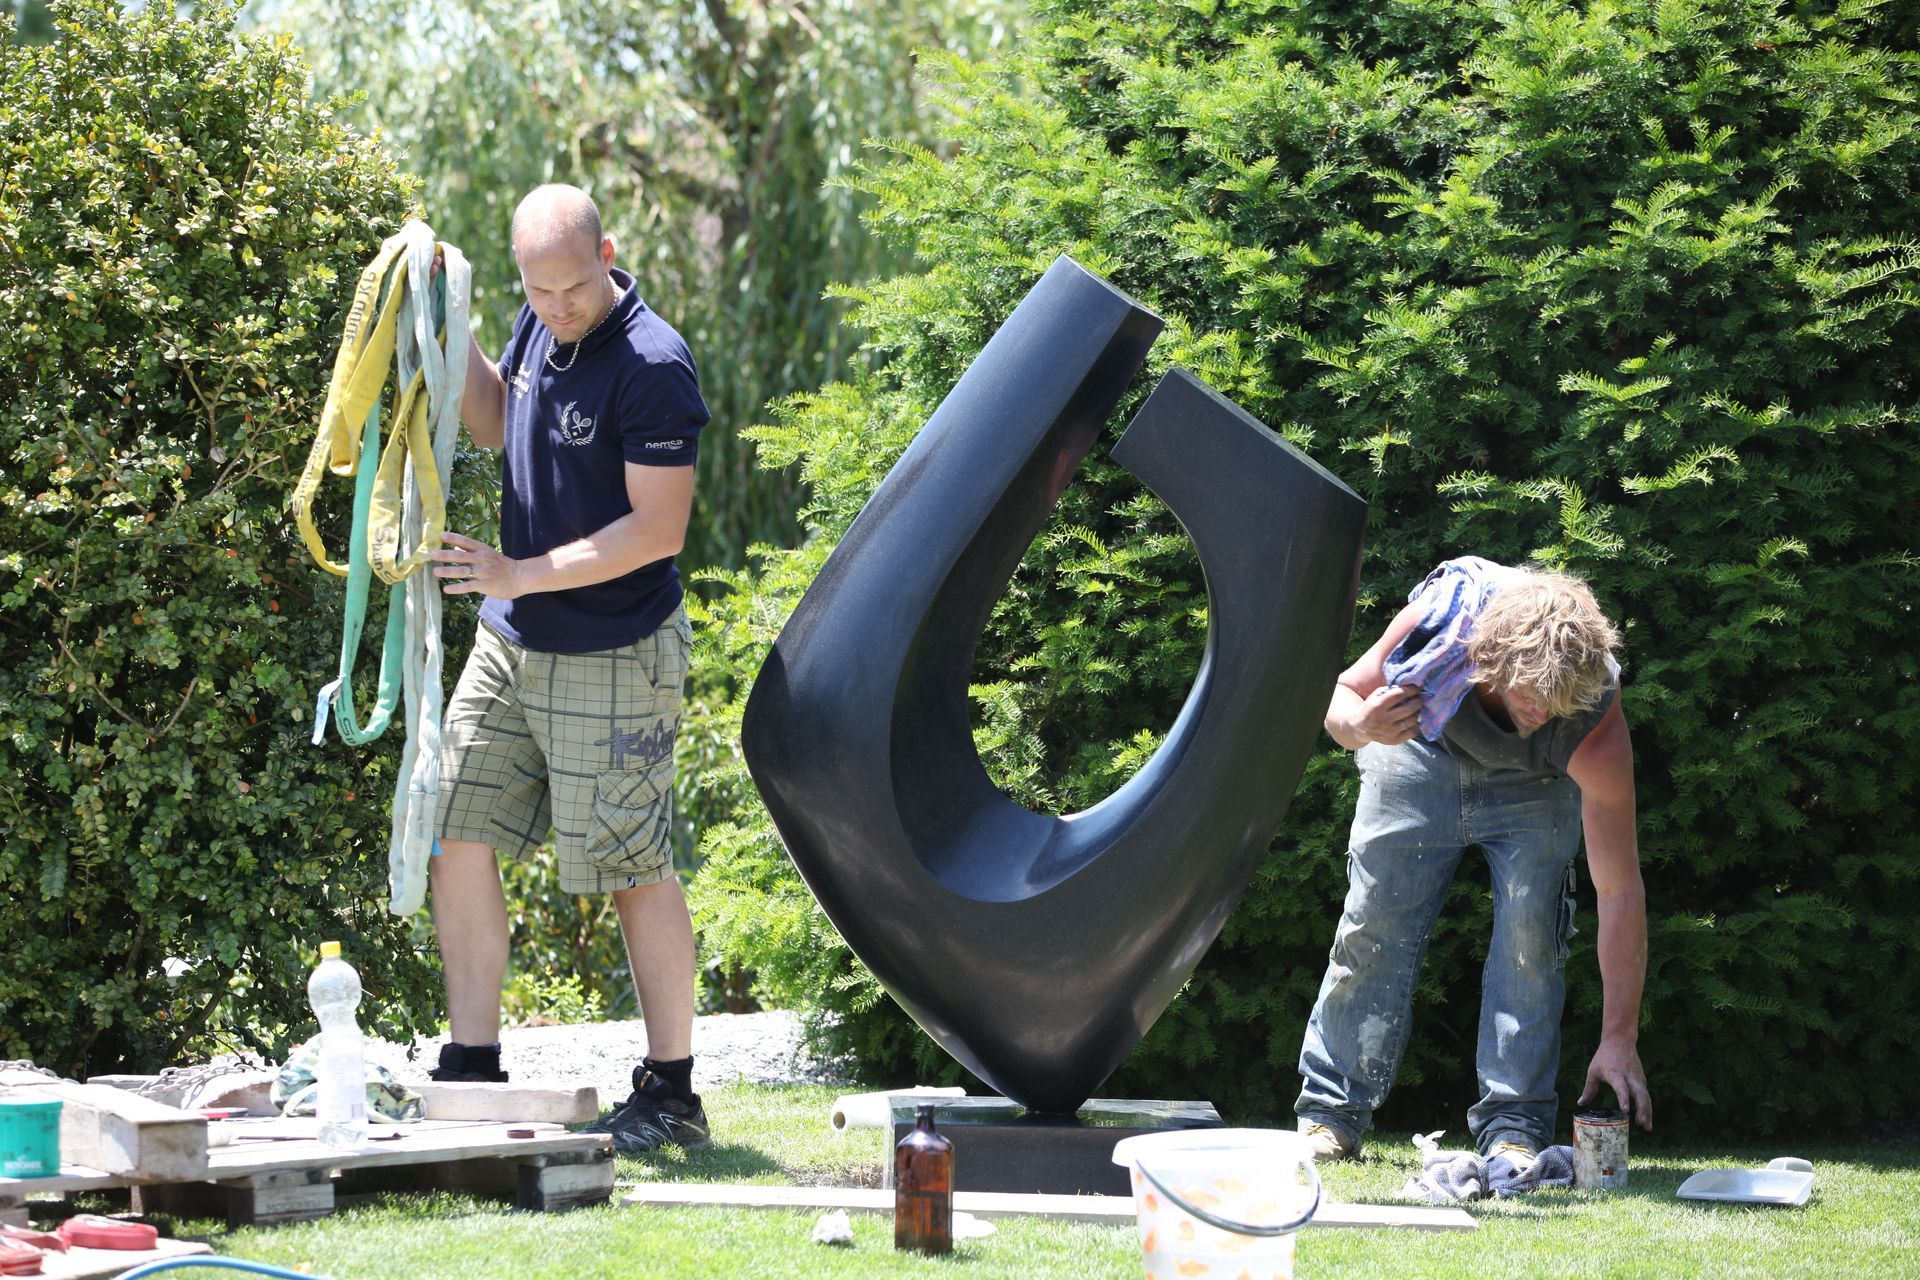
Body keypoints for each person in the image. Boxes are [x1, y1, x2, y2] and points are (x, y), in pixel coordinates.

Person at [423, 184, 709, 1153]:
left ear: (608, 255)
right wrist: (453, 325)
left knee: (631, 863)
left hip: (617, 649)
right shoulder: (539, 322)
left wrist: (517, 571)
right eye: (537, 291)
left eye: (572, 288)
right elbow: (493, 423)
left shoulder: (653, 363)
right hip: (513, 639)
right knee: (454, 826)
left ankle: (671, 1091)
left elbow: (658, 528)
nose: (556, 308)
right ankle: (472, 1065)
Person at [1293, 557, 1652, 1164]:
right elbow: (1340, 698)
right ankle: (1330, 1116)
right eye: (1532, 697)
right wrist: (1360, 723)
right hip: (1417, 750)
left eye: (1558, 703)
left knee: (1531, 937)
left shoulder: (1591, 715)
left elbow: (1619, 890)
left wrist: (1620, 1038)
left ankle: (1515, 1130)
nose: (1544, 713)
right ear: (1489, 661)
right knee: (1374, 925)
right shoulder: (1443, 623)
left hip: (1535, 785)